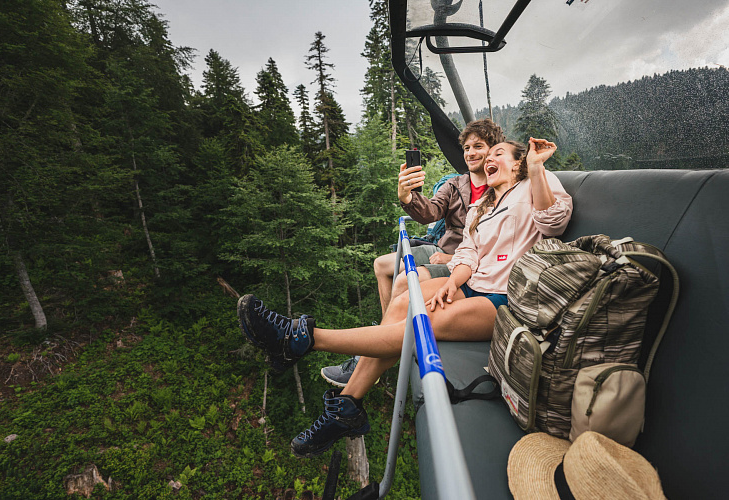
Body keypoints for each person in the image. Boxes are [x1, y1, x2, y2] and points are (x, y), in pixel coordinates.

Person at [237, 137, 573, 458]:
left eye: (498, 153)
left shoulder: (536, 184)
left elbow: (553, 221)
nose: (488, 159)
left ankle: (302, 340)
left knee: (419, 323)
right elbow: (468, 253)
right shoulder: (481, 206)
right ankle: (347, 406)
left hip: (504, 297)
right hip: (473, 284)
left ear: (518, 163)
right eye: (487, 155)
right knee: (401, 302)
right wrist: (451, 283)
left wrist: (537, 166)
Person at [320, 119, 505, 388]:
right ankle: (385, 337)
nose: (470, 153)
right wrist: (407, 196)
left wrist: (452, 259)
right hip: (445, 248)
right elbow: (431, 211)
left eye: (478, 146)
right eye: (466, 147)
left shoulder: (501, 186)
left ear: (493, 150)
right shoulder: (455, 185)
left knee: (405, 281)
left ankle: (379, 349)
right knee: (382, 265)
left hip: (462, 261)